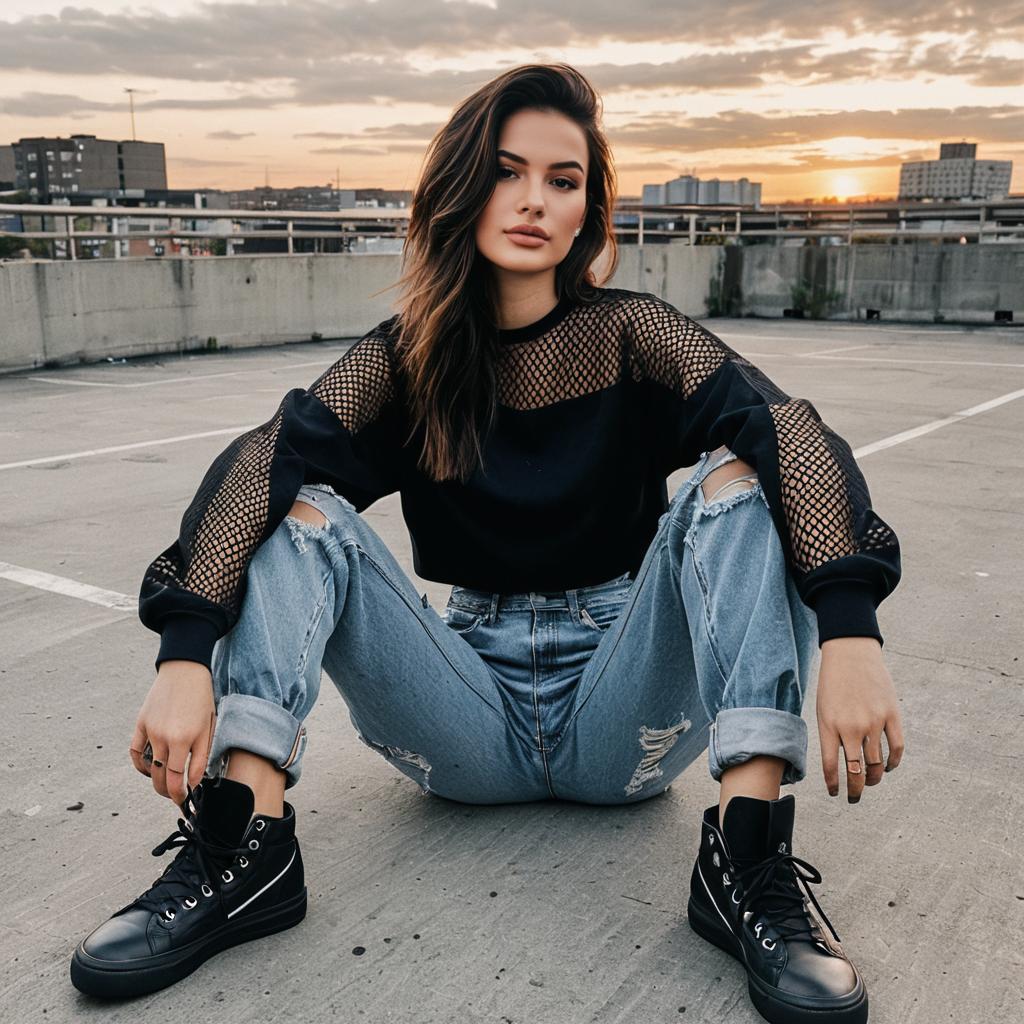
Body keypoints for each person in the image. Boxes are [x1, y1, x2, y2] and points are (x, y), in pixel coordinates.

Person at [70, 64, 904, 1023]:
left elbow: (787, 430)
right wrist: (185, 655)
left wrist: (850, 629)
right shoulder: (408, 359)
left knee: (743, 482)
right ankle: (244, 844)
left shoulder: (634, 334)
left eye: (563, 179)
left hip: (623, 714)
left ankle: (745, 855)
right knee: (298, 504)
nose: (534, 201)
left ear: (588, 204)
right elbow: (267, 458)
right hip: (463, 718)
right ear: (463, 184)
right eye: (509, 172)